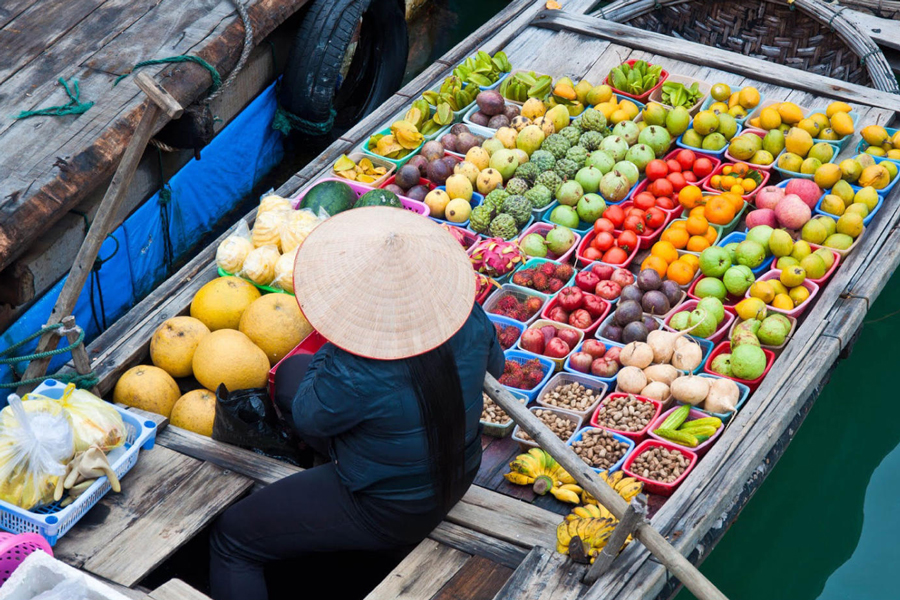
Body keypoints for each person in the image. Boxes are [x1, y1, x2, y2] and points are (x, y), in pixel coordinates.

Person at [209, 207, 505, 600]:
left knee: (232, 539)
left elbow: (311, 420)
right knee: (293, 374)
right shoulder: (467, 315)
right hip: (460, 468)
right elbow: (496, 368)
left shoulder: (355, 366)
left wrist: (338, 344)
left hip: (391, 507)